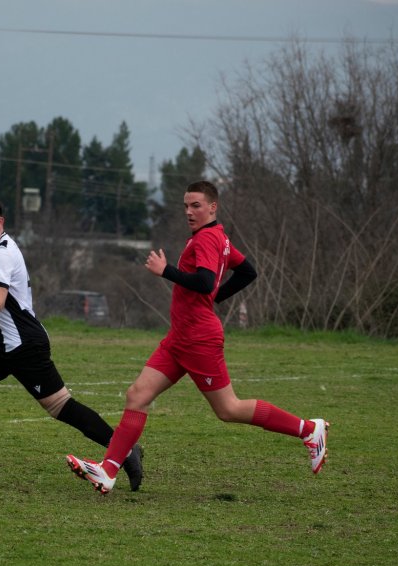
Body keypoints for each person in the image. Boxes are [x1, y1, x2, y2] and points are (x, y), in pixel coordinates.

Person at [65, 181, 328, 495]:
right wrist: (216, 297)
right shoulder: (220, 238)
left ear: (213, 206)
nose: (189, 212)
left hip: (199, 339)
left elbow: (204, 282)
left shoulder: (206, 239)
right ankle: (108, 471)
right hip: (179, 337)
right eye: (186, 206)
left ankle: (310, 430)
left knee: (228, 409)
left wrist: (167, 272)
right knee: (137, 395)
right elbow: (247, 272)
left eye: (196, 206)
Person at [0, 197, 144, 490]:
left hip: (25, 346)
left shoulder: (1, 254)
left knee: (61, 406)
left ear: (0, 222)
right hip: (2, 343)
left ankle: (125, 451)